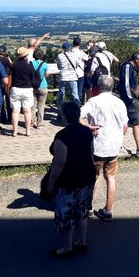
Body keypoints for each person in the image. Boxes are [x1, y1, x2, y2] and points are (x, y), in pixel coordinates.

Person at [46, 102, 95, 258]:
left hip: (69, 180)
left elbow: (60, 162)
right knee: (81, 211)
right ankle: (82, 241)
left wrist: (51, 183)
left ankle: (67, 247)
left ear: (65, 116)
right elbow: (91, 153)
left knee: (66, 214)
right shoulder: (87, 132)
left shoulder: (62, 136)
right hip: (87, 177)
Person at [80, 75, 128, 222]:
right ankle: (108, 210)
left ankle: (88, 208)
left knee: (92, 178)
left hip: (98, 145)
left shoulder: (93, 102)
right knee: (111, 177)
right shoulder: (119, 102)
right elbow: (125, 126)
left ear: (98, 86)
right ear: (112, 86)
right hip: (114, 145)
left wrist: (88, 126)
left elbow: (78, 116)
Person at [118, 52, 139, 159]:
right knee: (136, 123)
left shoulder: (125, 65)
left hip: (126, 99)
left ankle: (119, 146)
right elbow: (126, 85)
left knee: (126, 123)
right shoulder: (128, 67)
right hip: (129, 100)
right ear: (136, 59)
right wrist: (131, 99)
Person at [9, 47, 38, 137]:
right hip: (27, 89)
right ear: (26, 55)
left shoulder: (14, 66)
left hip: (15, 89)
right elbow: (34, 79)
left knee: (15, 111)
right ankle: (28, 131)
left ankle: (14, 131)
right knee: (27, 111)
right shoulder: (29, 66)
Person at [56, 41, 81, 122]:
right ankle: (77, 114)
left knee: (61, 96)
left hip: (63, 77)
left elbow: (59, 67)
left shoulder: (60, 56)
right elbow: (77, 65)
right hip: (73, 77)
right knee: (75, 96)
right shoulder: (75, 55)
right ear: (70, 48)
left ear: (63, 48)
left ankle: (60, 113)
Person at [0, 44, 13, 124]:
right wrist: (8, 57)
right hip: (6, 82)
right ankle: (10, 117)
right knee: (9, 100)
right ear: (5, 52)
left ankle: (2, 117)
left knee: (0, 100)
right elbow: (13, 66)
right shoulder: (6, 60)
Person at [31, 48, 51, 129]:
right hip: (42, 85)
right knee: (41, 106)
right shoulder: (45, 64)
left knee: (32, 106)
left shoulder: (30, 63)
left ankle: (31, 123)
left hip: (33, 86)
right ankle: (39, 124)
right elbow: (46, 75)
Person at [71, 37, 89, 103]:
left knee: (72, 92)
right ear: (80, 44)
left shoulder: (70, 52)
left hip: (71, 74)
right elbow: (87, 58)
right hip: (80, 74)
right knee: (78, 93)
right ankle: (76, 108)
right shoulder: (81, 53)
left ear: (73, 43)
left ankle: (71, 107)